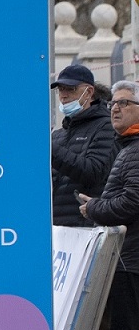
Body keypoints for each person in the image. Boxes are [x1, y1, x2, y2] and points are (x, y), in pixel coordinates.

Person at [78, 80, 139, 330]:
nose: (116, 108)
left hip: (131, 262)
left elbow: (131, 201)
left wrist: (95, 208)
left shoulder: (135, 150)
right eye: (114, 103)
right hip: (125, 259)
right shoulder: (126, 147)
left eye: (125, 103)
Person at [53, 62, 117, 227]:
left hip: (87, 226)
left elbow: (94, 171)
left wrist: (50, 150)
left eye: (71, 89)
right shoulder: (58, 135)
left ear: (88, 92)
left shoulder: (106, 126)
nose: (63, 95)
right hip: (58, 227)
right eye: (61, 89)